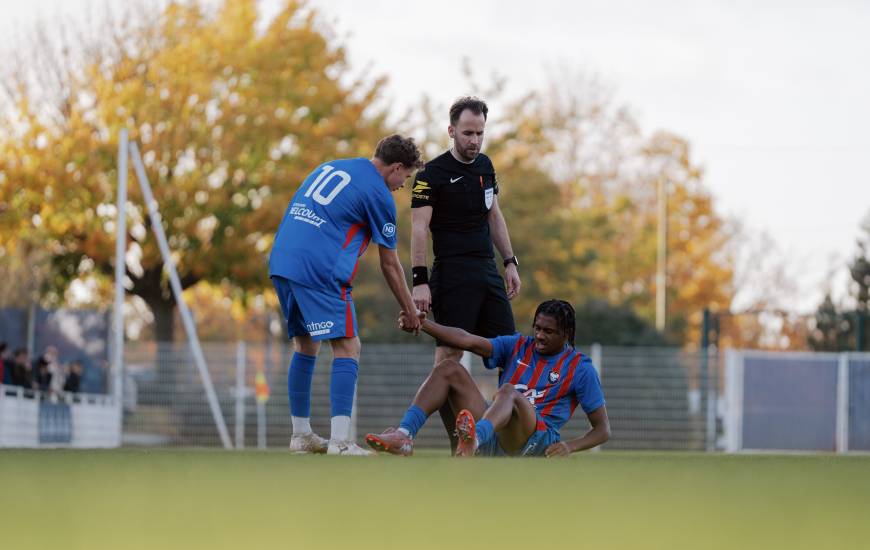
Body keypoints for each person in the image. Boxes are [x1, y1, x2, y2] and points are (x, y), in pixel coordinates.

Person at [269, 134, 424, 456]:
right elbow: (390, 262)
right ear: (395, 168)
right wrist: (410, 310)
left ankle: (301, 435)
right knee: (348, 346)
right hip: (319, 268)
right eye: (405, 177)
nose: (401, 185)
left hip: (283, 261)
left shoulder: (333, 166)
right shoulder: (378, 193)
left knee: (306, 344)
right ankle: (340, 442)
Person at [410, 96, 521, 450]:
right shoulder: (430, 175)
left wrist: (510, 262)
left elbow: (495, 216)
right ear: (452, 131)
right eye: (468, 133)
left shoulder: (487, 167)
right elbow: (417, 229)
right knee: (448, 359)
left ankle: (509, 442)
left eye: (480, 133)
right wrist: (420, 281)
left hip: (487, 272)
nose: (474, 140)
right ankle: (457, 443)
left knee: (511, 354)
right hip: (451, 275)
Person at [365, 300, 610, 457]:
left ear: (566, 333)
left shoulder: (581, 368)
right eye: (537, 328)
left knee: (508, 392)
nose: (539, 336)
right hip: (495, 430)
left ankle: (475, 440)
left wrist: (570, 446)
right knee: (448, 367)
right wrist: (423, 323)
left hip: (534, 440)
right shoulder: (518, 345)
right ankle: (404, 435)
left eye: (548, 331)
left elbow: (602, 430)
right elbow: (467, 339)